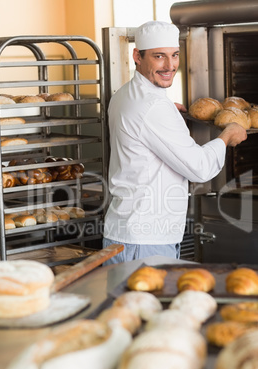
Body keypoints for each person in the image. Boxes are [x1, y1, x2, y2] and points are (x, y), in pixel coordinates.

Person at [102, 20, 247, 265]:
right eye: (159, 56)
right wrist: (227, 136)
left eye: (175, 55)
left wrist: (168, 112)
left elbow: (144, 121)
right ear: (137, 56)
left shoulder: (125, 94)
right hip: (145, 241)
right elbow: (199, 168)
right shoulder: (154, 107)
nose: (170, 65)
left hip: (128, 234)